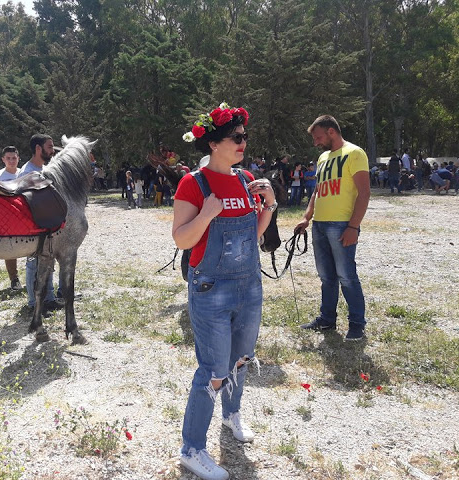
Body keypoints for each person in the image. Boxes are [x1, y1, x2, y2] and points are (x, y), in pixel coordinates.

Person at [175, 102, 276, 480]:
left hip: (249, 284)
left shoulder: (245, 177)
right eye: (236, 138)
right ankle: (191, 449)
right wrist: (206, 214)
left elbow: (255, 234)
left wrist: (270, 203)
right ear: (214, 144)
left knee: (241, 359)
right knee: (213, 371)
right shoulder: (194, 183)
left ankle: (231, 415)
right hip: (211, 288)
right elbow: (182, 238)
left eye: (245, 137)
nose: (243, 143)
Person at [295, 115, 370, 341]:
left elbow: (364, 193)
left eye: (318, 137)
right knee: (326, 277)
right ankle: (327, 319)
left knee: (347, 276)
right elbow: (318, 191)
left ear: (331, 131)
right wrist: (307, 217)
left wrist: (353, 226)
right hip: (319, 225)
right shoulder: (323, 158)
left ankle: (357, 324)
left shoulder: (355, 154)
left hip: (341, 225)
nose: (316, 142)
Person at [20, 134, 64, 313]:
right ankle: (33, 304)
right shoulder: (27, 172)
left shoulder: (45, 169)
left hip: (47, 224)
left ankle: (49, 298)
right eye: (50, 147)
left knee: (48, 260)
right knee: (33, 264)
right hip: (32, 226)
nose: (52, 150)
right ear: (38, 149)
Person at [0, 145, 23, 290]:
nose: (11, 161)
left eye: (14, 158)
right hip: (6, 218)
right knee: (10, 248)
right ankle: (14, 279)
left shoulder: (25, 173)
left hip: (25, 215)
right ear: (3, 159)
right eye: (8, 158)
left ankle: (34, 277)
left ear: (18, 158)